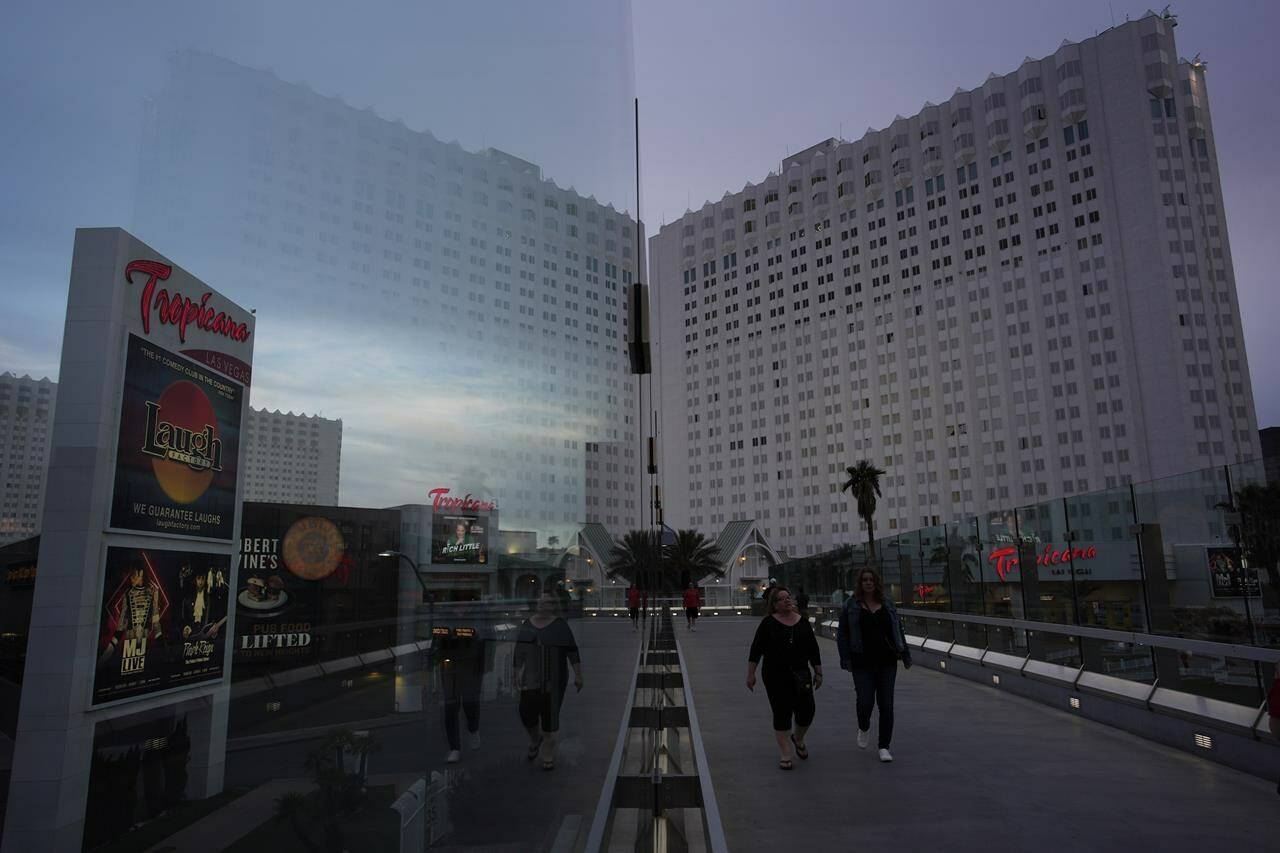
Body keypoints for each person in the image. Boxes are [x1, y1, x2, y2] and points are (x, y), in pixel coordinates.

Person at [837, 568, 912, 763]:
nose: (868, 583)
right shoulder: (851, 606)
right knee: (865, 702)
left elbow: (898, 630)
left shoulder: (887, 604)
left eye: (871, 580)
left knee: (886, 704)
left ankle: (884, 746)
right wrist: (845, 658)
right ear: (860, 583)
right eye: (864, 580)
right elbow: (843, 634)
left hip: (887, 662)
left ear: (876, 583)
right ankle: (864, 726)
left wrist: (905, 654)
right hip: (862, 662)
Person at [746, 586, 823, 770]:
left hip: (801, 674)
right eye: (782, 599)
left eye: (788, 597)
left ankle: (798, 738)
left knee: (807, 711)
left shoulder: (802, 622)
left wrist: (818, 672)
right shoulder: (767, 624)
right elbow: (756, 650)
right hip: (775, 675)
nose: (787, 601)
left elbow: (813, 649)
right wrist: (751, 674)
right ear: (774, 604)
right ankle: (785, 752)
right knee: (782, 712)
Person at [513, 592, 583, 771]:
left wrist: (578, 674)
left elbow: (572, 650)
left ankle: (547, 753)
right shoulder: (527, 624)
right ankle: (535, 739)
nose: (542, 605)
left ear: (553, 606)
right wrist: (516, 672)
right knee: (526, 713)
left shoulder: (560, 626)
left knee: (549, 718)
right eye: (540, 602)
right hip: (531, 679)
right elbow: (519, 651)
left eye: (547, 603)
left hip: (555, 680)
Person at [437, 598, 488, 764]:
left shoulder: (477, 613)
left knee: (470, 703)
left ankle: (473, 729)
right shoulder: (445, 613)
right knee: (450, 707)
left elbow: (481, 635)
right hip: (450, 665)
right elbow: (437, 634)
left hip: (470, 665)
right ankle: (455, 748)